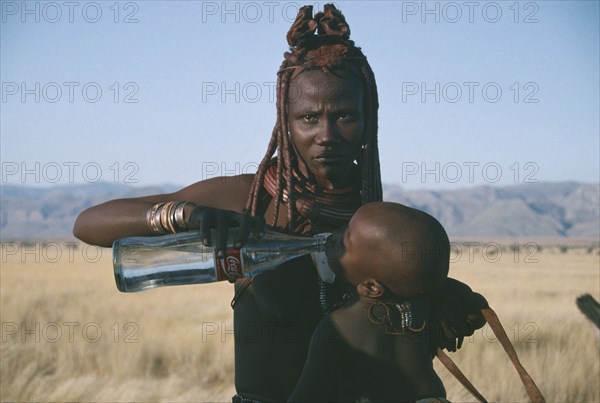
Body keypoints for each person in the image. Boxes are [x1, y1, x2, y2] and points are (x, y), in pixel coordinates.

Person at [73, 4, 485, 401]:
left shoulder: (378, 228)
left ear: (367, 120)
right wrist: (187, 215)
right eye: (308, 118)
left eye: (344, 116)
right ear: (284, 123)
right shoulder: (250, 200)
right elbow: (90, 224)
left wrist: (436, 303)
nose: (326, 134)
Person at [288, 202, 451, 402]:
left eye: (344, 242)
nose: (333, 236)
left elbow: (306, 397)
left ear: (372, 287)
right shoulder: (423, 304)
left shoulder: (337, 327)